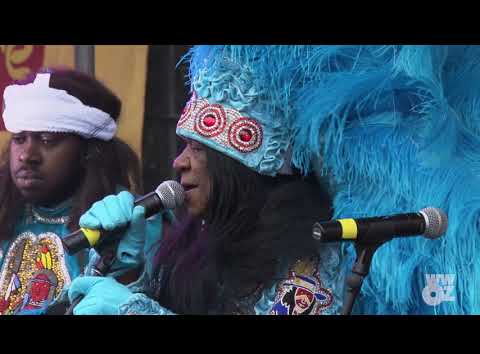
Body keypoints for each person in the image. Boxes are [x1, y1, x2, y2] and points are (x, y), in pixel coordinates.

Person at [66, 46, 347, 315]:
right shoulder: (198, 242)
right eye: (184, 146)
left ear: (241, 164)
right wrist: (122, 269)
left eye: (198, 148)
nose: (179, 162)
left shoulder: (312, 258)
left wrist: (132, 310)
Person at [0, 68, 147, 315]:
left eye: (47, 139)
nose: (27, 155)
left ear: (88, 151)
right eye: (19, 138)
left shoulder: (132, 219)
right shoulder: (5, 210)